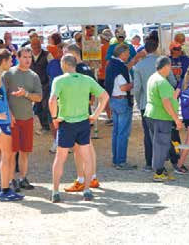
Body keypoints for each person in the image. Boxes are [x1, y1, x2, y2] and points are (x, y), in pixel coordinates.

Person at [49, 54, 109, 203]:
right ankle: (87, 189)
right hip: (83, 122)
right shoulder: (87, 79)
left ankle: (55, 191)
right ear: (75, 64)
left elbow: (52, 100)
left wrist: (54, 117)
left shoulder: (59, 80)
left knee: (60, 158)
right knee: (87, 157)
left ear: (63, 64)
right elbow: (105, 96)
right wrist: (95, 115)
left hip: (66, 123)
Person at [62, 44, 104, 191]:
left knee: (80, 148)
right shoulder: (86, 68)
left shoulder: (78, 70)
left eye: (65, 54)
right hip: (83, 111)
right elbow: (95, 91)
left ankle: (83, 179)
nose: (63, 58)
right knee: (87, 146)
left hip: (77, 113)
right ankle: (91, 177)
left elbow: (97, 93)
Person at [133, 39, 177, 171]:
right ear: (157, 48)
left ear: (145, 50)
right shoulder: (163, 63)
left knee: (148, 135)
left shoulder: (139, 66)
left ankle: (149, 162)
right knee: (167, 134)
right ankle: (172, 161)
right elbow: (173, 82)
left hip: (145, 104)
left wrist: (138, 101)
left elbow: (137, 88)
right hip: (163, 104)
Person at [3, 47, 43, 191]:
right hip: (12, 120)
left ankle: (23, 178)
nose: (27, 60)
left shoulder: (34, 76)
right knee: (12, 152)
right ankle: (12, 179)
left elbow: (39, 97)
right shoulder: (9, 74)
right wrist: (9, 114)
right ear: (18, 58)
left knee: (25, 151)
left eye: (30, 57)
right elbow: (2, 96)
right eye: (25, 57)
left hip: (27, 118)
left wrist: (25, 93)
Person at [144, 56, 182, 182]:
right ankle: (158, 172)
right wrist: (176, 119)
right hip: (161, 117)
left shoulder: (153, 77)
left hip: (152, 114)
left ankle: (158, 170)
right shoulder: (162, 81)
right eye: (170, 66)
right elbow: (166, 103)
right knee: (161, 144)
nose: (170, 69)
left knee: (157, 143)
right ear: (165, 67)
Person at [0, 49, 24, 202]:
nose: (12, 63)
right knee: (8, 155)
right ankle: (5, 191)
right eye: (10, 60)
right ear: (3, 61)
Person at [106, 44, 136, 170]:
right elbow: (123, 87)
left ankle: (116, 159)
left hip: (113, 100)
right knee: (123, 133)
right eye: (128, 53)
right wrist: (134, 83)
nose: (128, 55)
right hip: (122, 100)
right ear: (122, 53)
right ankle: (121, 161)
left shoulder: (111, 65)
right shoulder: (119, 67)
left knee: (116, 132)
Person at [30, 37, 52, 133]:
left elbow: (52, 68)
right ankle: (44, 125)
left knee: (45, 106)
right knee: (37, 107)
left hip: (45, 84)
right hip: (34, 86)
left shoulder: (47, 55)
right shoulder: (28, 55)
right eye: (34, 45)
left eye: (38, 45)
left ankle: (47, 126)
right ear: (31, 46)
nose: (36, 47)